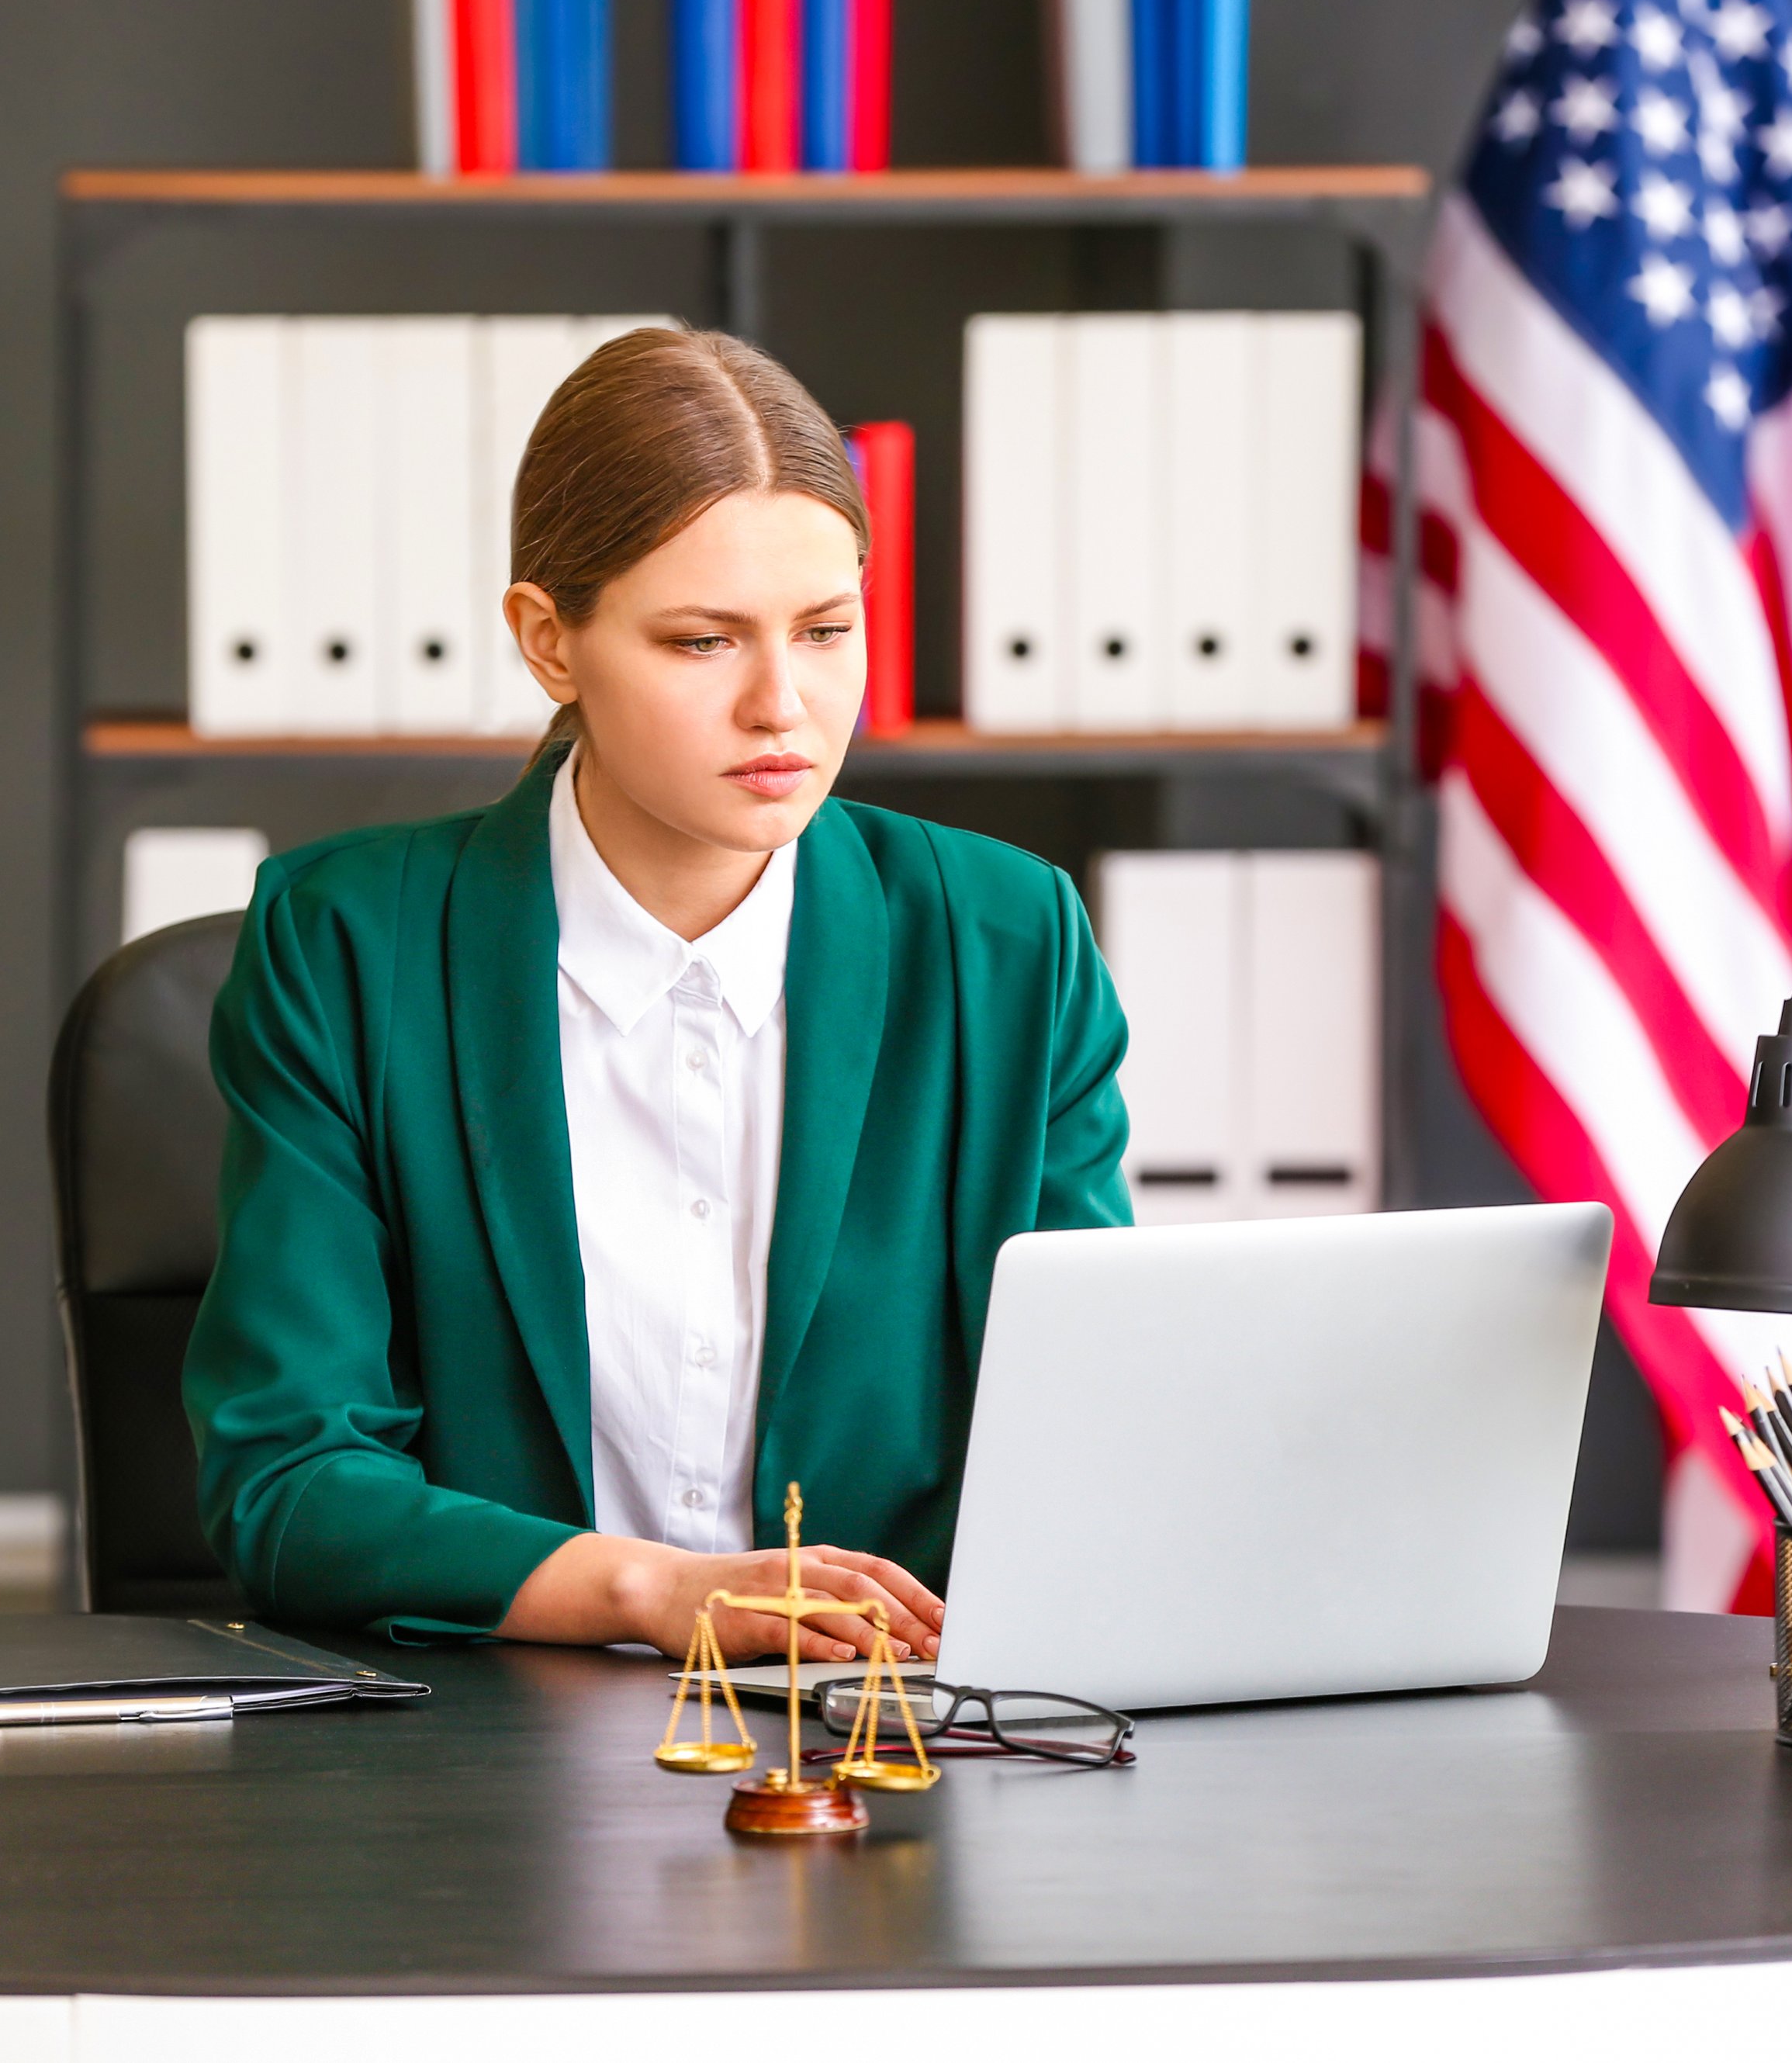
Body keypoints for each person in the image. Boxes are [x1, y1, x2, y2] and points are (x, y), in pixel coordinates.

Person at [187, 327, 1131, 1667]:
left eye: (827, 630)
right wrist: (652, 1594)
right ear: (548, 642)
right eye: (702, 642)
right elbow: (286, 1483)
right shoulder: (344, 945)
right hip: (484, 1769)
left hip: (899, 1759)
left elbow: (1097, 1432)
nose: (782, 706)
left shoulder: (1009, 943)